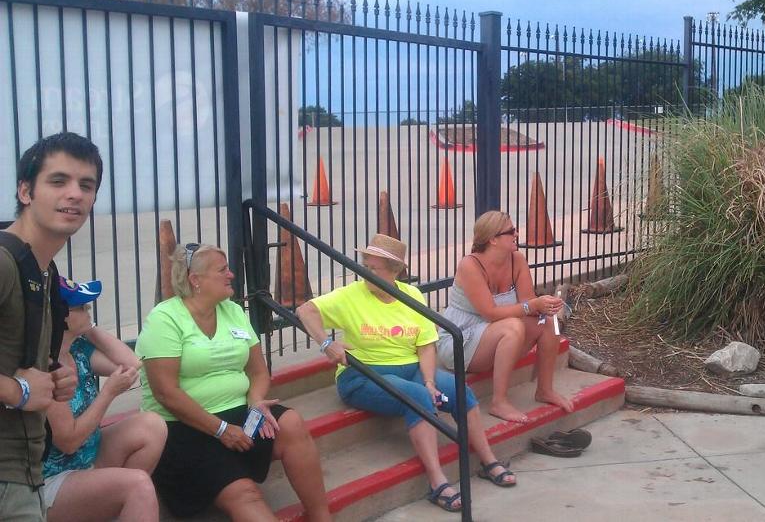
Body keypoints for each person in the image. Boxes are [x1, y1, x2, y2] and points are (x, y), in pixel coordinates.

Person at [296, 234, 516, 514]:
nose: (365, 272)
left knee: (459, 390)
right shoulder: (352, 294)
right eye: (364, 264)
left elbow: (425, 345)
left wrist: (430, 381)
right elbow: (305, 310)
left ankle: (487, 460)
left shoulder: (410, 295)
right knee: (416, 396)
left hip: (411, 368)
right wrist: (327, 343)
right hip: (362, 374)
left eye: (374, 268)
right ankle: (437, 482)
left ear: (395, 271)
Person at [136, 243, 331, 521]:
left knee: (291, 422)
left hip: (238, 414)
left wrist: (255, 403)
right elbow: (166, 393)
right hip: (184, 427)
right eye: (223, 270)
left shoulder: (233, 311)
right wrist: (221, 429)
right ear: (195, 280)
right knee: (246, 494)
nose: (231, 275)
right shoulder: (165, 319)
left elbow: (259, 372)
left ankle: (321, 517)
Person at [1, 132, 99, 520]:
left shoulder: (43, 272)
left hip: (25, 477)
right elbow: (21, 386)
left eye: (86, 185)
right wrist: (20, 389)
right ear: (26, 191)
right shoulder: (5, 262)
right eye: (58, 181)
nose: (74, 193)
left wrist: (52, 378)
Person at [43, 277, 167, 522]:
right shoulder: (46, 365)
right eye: (81, 307)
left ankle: (114, 505)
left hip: (84, 461)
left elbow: (131, 365)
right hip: (51, 481)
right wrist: (108, 393)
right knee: (139, 486)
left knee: (152, 425)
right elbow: (68, 441)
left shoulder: (76, 350)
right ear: (60, 315)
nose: (89, 310)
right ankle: (125, 500)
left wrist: (88, 328)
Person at [437, 211, 572, 423]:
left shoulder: (517, 259)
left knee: (548, 322)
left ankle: (545, 389)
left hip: (495, 336)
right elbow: (490, 312)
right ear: (492, 239)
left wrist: (544, 305)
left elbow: (526, 301)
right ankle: (499, 402)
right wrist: (531, 305)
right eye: (510, 231)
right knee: (513, 327)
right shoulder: (470, 265)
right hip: (461, 340)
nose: (517, 233)